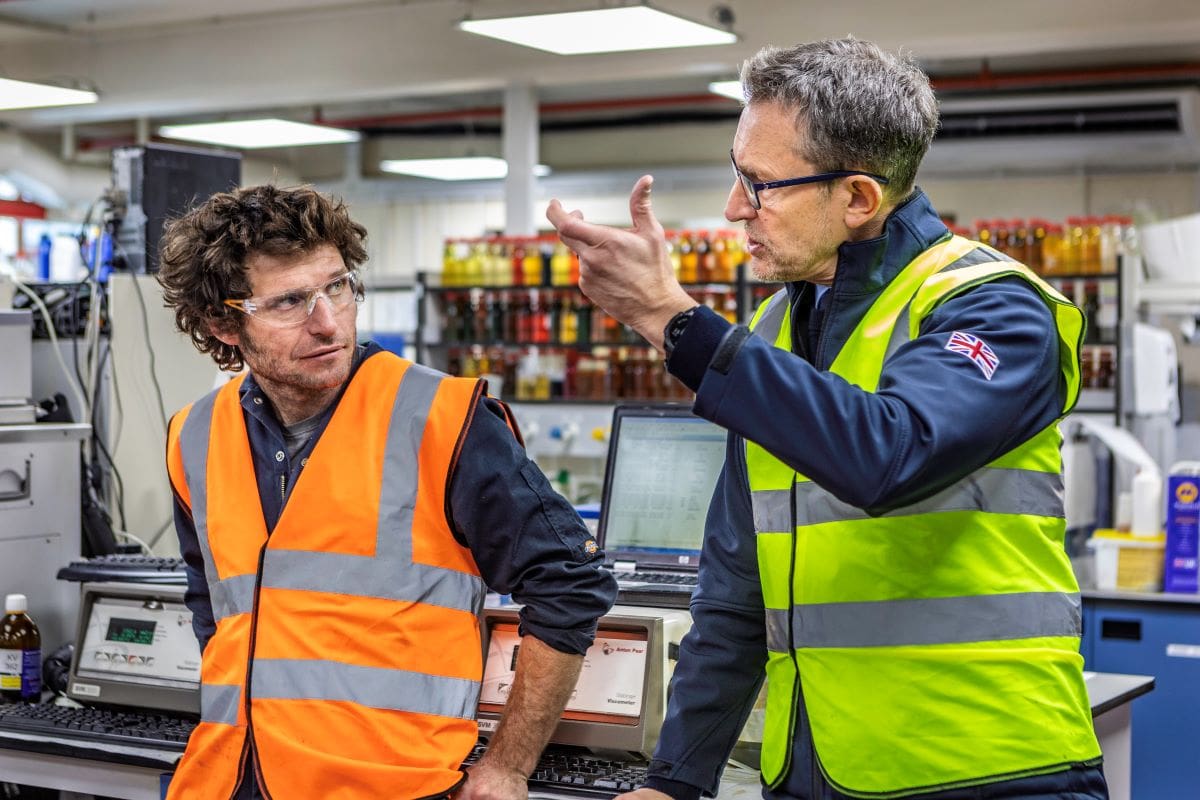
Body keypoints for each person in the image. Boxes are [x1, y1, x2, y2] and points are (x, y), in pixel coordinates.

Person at [547, 37, 1106, 800]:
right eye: (736, 175)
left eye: (761, 183)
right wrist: (675, 778)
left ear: (857, 199)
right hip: (812, 772)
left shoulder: (992, 307)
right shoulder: (775, 334)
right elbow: (736, 590)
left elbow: (890, 453)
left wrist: (669, 317)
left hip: (986, 767)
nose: (734, 207)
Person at [157, 184, 617, 800]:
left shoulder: (443, 419)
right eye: (291, 301)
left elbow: (571, 581)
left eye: (338, 287)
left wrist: (508, 764)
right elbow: (212, 607)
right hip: (226, 780)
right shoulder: (193, 436)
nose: (328, 322)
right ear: (223, 322)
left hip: (393, 786)